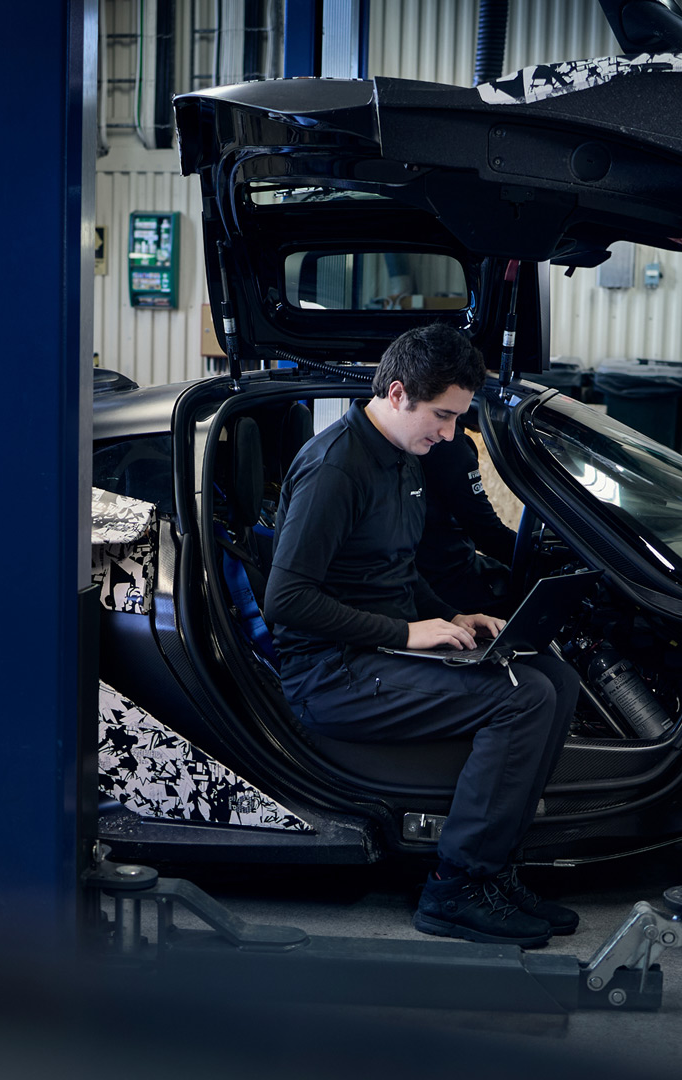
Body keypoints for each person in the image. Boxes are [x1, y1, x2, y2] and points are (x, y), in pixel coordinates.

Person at [264, 324, 581, 947]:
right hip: (331, 673)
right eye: (442, 416)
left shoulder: (404, 459)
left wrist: (454, 615)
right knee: (523, 697)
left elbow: (398, 574)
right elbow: (288, 600)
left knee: (557, 679)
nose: (449, 433)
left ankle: (495, 868)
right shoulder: (337, 468)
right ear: (399, 393)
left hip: (376, 648)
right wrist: (407, 632)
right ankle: (456, 887)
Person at [416, 410, 520, 618]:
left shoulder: (439, 442)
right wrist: (538, 559)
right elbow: (486, 532)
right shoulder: (450, 447)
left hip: (438, 567)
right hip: (446, 578)